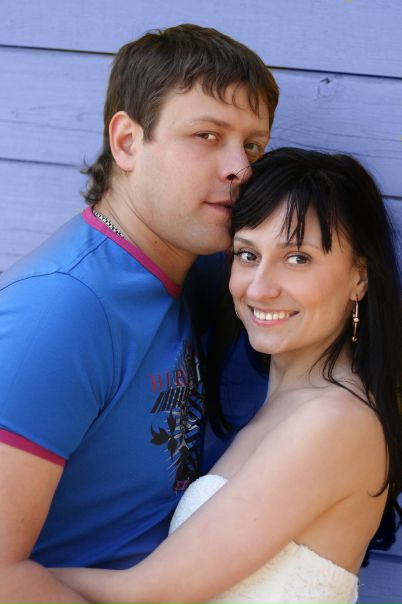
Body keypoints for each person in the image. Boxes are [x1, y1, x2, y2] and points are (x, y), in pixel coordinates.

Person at [0, 24, 279, 602]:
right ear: (127, 142)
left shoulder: (207, 272)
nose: (240, 168)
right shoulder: (62, 310)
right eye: (207, 135)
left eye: (253, 145)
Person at [51, 148, 402, 604]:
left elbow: (143, 595)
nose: (260, 287)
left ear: (360, 277)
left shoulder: (335, 422)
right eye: (248, 254)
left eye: (298, 258)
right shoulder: (290, 406)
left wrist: (13, 572)